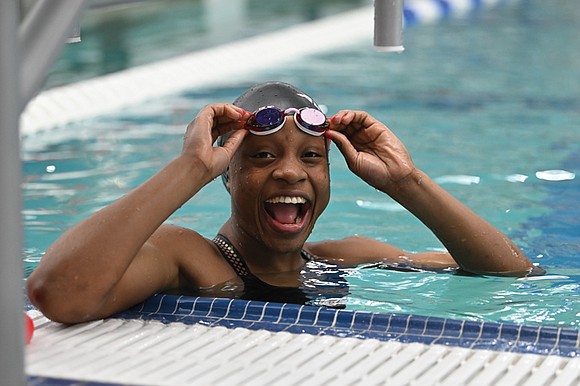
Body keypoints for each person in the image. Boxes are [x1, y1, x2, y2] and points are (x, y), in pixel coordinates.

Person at [27, 81, 541, 324]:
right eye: (263, 156)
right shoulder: (190, 259)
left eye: (312, 157)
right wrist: (189, 169)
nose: (291, 171)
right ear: (226, 176)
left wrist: (406, 183)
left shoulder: (341, 258)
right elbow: (60, 294)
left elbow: (512, 275)